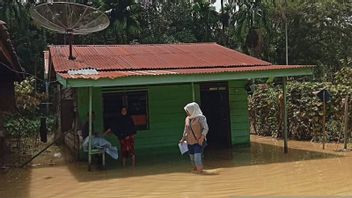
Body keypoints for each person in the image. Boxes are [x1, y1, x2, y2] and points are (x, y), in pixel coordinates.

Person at [180, 102, 209, 174]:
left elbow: (206, 128)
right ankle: (196, 171)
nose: (187, 113)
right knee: (192, 159)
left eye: (188, 111)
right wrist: (183, 139)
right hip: (189, 142)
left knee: (197, 158)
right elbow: (186, 130)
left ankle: (200, 173)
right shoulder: (187, 119)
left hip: (198, 141)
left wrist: (202, 138)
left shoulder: (201, 118)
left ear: (193, 110)